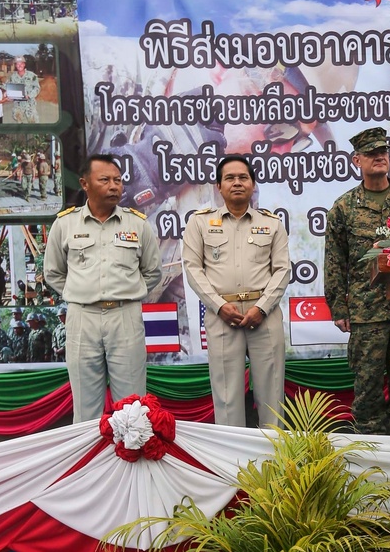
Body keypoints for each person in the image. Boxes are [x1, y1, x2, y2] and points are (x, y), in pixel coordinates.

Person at [44, 154, 163, 422]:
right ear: (85, 184)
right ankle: (89, 463)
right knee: (86, 406)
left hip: (125, 316)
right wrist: (81, 292)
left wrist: (127, 291)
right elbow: (53, 272)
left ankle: (132, 460)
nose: (114, 186)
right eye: (105, 180)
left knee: (132, 405)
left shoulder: (137, 223)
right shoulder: (65, 224)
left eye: (118, 181)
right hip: (82, 317)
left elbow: (153, 271)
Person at [181, 153, 290, 427]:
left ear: (253, 184)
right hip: (222, 316)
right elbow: (193, 269)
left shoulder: (272, 223)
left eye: (243, 177)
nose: (237, 183)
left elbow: (282, 270)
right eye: (229, 178)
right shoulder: (200, 222)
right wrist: (218, 306)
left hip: (264, 315)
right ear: (219, 187)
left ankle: (277, 463)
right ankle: (232, 465)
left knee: (271, 394)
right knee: (227, 396)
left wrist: (261, 308)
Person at [323, 128, 390, 434]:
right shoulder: (344, 207)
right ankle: (372, 447)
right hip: (366, 309)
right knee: (367, 384)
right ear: (357, 160)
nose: (379, 157)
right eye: (371, 153)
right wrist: (338, 308)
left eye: (383, 151)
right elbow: (334, 261)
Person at [7, 56, 40, 122]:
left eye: (21, 63)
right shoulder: (12, 77)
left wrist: (29, 95)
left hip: (30, 104)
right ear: (15, 65)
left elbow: (37, 88)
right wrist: (7, 94)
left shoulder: (32, 76)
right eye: (17, 64)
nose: (19, 65)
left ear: (24, 64)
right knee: (20, 125)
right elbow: (8, 87)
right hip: (18, 105)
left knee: (34, 124)